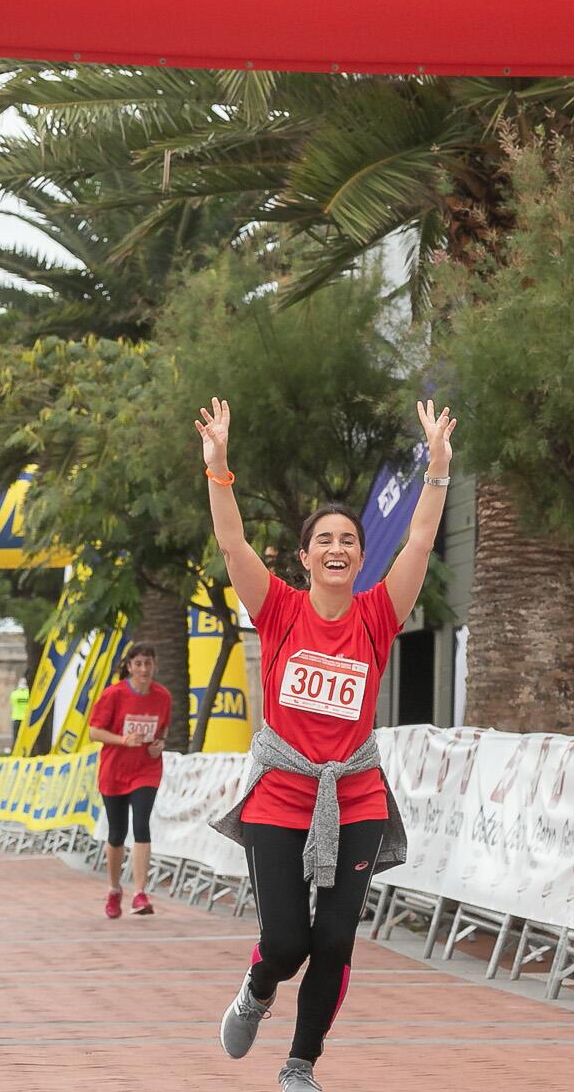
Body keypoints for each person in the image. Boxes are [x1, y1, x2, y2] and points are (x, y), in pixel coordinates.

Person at [199, 396, 455, 1092]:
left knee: (336, 940)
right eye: (325, 542)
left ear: (359, 557)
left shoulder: (378, 614)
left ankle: (300, 1064)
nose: (337, 549)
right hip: (281, 794)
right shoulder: (278, 608)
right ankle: (257, 990)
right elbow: (232, 545)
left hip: (355, 795)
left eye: (349, 541)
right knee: (287, 943)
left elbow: (423, 541)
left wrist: (437, 471)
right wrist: (219, 469)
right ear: (306, 557)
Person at [87, 641, 169, 918]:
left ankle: (140, 893)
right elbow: (94, 732)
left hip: (146, 769)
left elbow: (162, 730)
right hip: (114, 771)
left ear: (155, 665)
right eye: (138, 664)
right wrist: (123, 740)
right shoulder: (114, 695)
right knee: (116, 833)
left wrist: (159, 745)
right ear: (129, 667)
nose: (144, 669)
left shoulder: (162, 696)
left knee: (142, 824)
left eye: (148, 663)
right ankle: (113, 889)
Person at [9, 678, 30, 753]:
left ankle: (15, 753)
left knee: (16, 738)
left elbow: (12, 703)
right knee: (26, 738)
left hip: (16, 718)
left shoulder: (14, 694)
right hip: (26, 719)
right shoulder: (29, 694)